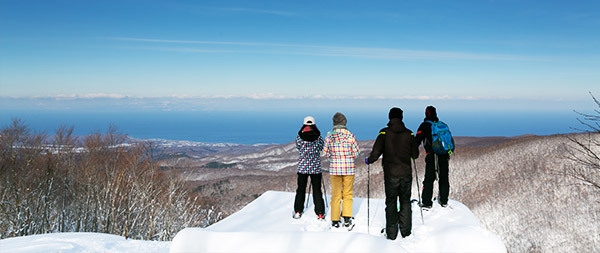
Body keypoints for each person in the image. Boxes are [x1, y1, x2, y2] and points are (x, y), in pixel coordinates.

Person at [366, 107, 419, 240]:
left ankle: (391, 233)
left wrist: (368, 160)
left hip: (390, 174)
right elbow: (415, 154)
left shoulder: (384, 133)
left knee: (391, 202)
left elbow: (376, 153)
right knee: (405, 201)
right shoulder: (410, 134)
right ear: (401, 117)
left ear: (390, 117)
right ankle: (406, 232)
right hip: (406, 173)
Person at [324, 112, 360, 228]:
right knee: (347, 194)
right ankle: (347, 218)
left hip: (334, 168)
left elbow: (325, 152)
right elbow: (356, 152)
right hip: (348, 168)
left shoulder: (329, 135)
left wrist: (333, 157)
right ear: (344, 122)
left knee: (335, 195)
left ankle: (335, 220)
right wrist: (348, 157)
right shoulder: (349, 135)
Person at [415, 106, 454, 209]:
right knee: (444, 178)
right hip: (445, 156)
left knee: (429, 179)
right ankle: (444, 201)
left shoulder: (424, 125)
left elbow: (417, 140)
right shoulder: (442, 125)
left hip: (432, 156)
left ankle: (427, 203)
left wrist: (412, 152)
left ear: (426, 113)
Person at [293, 116, 326, 220]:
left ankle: (298, 211)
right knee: (317, 190)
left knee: (301, 190)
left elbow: (298, 147)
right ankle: (320, 213)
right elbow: (322, 147)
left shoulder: (299, 137)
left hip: (302, 167)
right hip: (315, 167)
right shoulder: (318, 137)